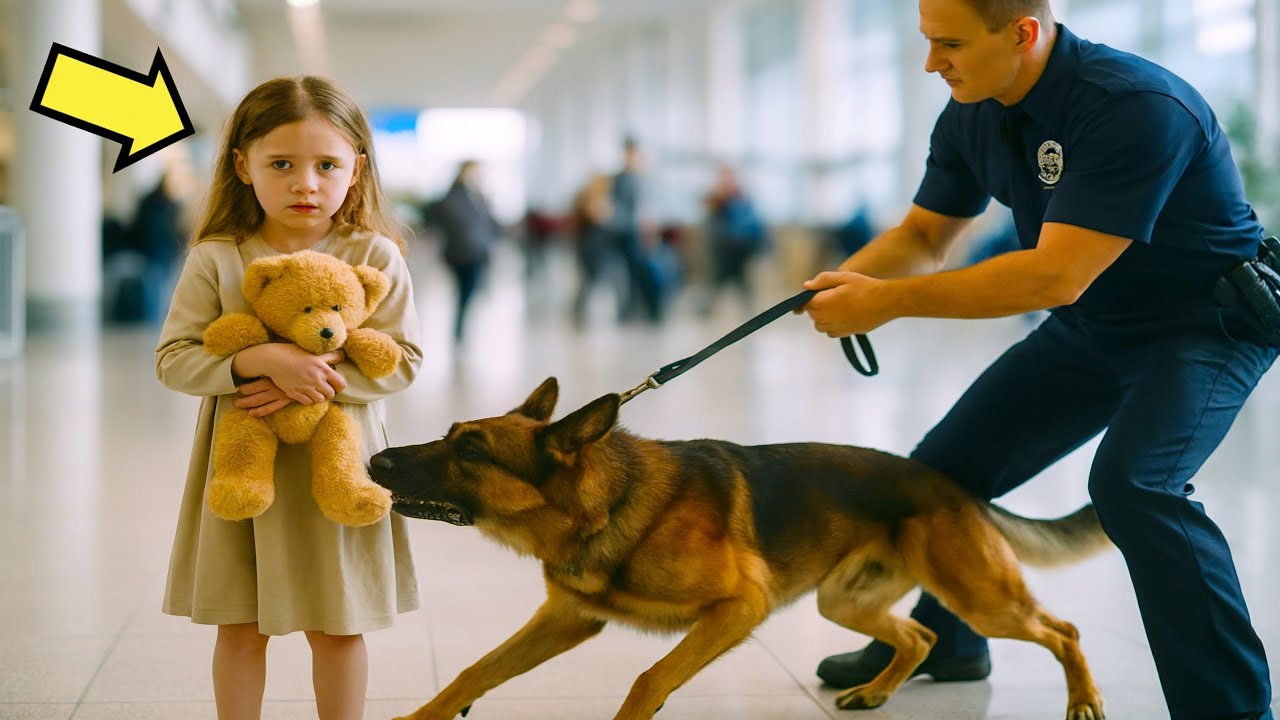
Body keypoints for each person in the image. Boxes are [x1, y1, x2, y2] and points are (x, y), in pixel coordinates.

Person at [804, 2, 1277, 719]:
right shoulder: (972, 106)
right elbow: (927, 232)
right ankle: (948, 636)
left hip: (1203, 324)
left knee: (1137, 487)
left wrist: (887, 303)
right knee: (937, 477)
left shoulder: (1134, 106)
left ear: (1022, 32)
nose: (934, 63)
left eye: (951, 44)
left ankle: (1230, 709)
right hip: (1094, 325)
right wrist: (845, 284)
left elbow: (1055, 275)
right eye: (929, 43)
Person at [155, 76, 423, 720]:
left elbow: (402, 362)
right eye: (282, 165)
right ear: (243, 167)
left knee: (338, 625)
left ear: (356, 170)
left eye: (326, 165)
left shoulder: (373, 255)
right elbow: (175, 359)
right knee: (241, 626)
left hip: (338, 469)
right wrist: (257, 360)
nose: (305, 183)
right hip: (244, 466)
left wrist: (315, 380)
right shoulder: (217, 259)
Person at [426, 159, 500, 343]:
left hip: (477, 251)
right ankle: (459, 330)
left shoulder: (479, 196)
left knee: (468, 291)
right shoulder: (454, 196)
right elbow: (451, 221)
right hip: (462, 252)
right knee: (465, 291)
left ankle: (461, 329)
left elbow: (488, 223)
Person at [700, 165, 768, 317]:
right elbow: (713, 226)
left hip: (740, 251)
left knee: (742, 285)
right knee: (716, 283)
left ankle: (749, 315)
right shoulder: (716, 200)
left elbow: (752, 225)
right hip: (723, 252)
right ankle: (705, 310)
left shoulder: (742, 200)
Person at [570, 172, 619, 327]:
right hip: (592, 245)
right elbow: (598, 216)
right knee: (589, 280)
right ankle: (579, 312)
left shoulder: (586, 197)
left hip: (591, 244)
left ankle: (580, 312)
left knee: (588, 281)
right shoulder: (589, 198)